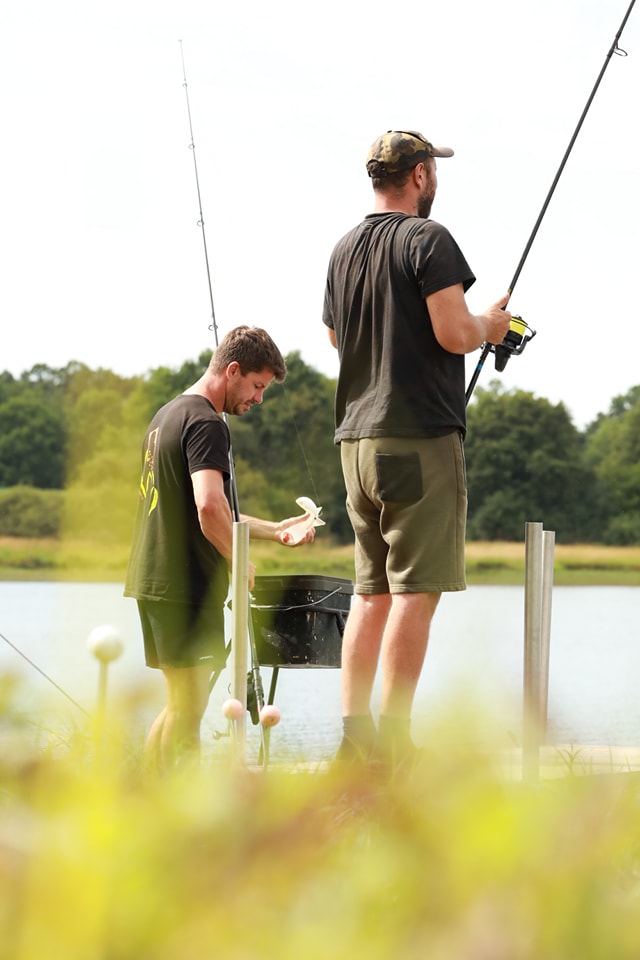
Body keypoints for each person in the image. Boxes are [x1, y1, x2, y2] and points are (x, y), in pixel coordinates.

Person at [322, 129, 511, 772]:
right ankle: (397, 738)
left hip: (355, 443)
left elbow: (333, 336)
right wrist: (493, 325)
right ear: (422, 175)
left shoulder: (344, 248)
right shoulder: (429, 240)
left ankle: (355, 738)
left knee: (370, 591)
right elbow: (456, 332)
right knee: (414, 591)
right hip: (416, 439)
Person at [124, 325, 315, 772]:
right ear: (233, 370)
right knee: (187, 712)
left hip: (155, 583)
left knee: (178, 706)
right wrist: (238, 559)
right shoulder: (209, 423)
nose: (258, 399)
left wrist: (277, 529)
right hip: (183, 586)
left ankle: (148, 796)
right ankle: (178, 814)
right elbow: (210, 507)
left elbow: (209, 509)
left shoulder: (168, 416)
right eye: (256, 386)